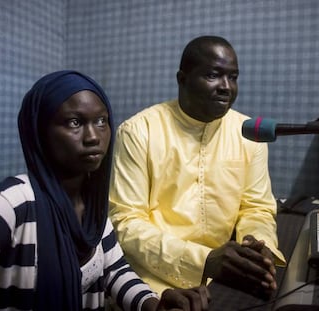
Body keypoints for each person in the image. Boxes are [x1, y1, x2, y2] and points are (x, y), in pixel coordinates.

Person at [0, 70, 210, 311]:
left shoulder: (95, 212)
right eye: (74, 123)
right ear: (40, 133)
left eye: (101, 121)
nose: (93, 137)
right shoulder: (4, 207)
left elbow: (115, 272)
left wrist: (154, 303)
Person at [109, 36, 286, 298]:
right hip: (154, 279)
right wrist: (204, 260)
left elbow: (256, 207)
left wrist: (257, 247)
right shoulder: (138, 132)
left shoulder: (248, 133)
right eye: (214, 75)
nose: (226, 87)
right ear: (182, 79)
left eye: (233, 77)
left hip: (227, 273)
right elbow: (127, 223)